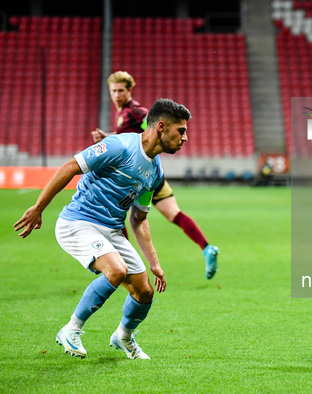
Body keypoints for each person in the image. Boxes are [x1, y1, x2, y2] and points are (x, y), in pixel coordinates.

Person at [14, 99, 191, 359]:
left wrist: (154, 263)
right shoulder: (120, 145)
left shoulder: (154, 170)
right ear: (162, 127)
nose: (185, 138)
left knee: (144, 291)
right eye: (181, 131)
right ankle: (71, 330)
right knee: (116, 269)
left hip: (110, 230)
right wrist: (39, 207)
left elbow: (139, 219)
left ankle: (123, 337)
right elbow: (70, 167)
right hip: (78, 222)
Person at [92, 71, 219, 279]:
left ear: (129, 90)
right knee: (173, 214)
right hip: (151, 172)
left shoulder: (134, 111)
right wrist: (108, 136)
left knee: (120, 211)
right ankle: (206, 247)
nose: (116, 95)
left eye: (120, 90)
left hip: (140, 174)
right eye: (113, 91)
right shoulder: (124, 114)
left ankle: (123, 262)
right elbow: (135, 135)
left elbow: (150, 127)